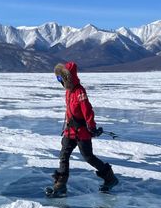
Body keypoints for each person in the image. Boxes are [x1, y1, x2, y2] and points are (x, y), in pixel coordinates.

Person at [46, 62, 118, 197]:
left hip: (81, 132)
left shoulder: (80, 91)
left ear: (68, 77)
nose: (59, 81)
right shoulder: (68, 92)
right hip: (69, 131)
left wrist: (91, 126)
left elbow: (87, 110)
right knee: (64, 155)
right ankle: (61, 184)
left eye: (61, 78)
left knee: (88, 157)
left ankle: (110, 178)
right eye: (58, 78)